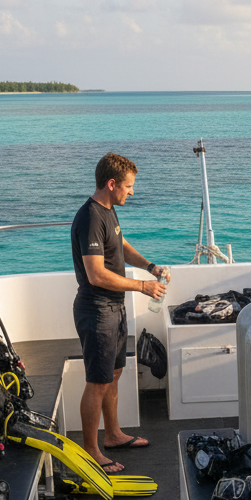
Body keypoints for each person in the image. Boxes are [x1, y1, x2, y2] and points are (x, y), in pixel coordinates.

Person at [70, 152, 167, 474]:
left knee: (113, 374)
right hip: (96, 310)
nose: (132, 192)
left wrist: (150, 266)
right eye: (128, 186)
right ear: (111, 184)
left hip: (114, 308)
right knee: (97, 381)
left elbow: (120, 246)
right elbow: (96, 274)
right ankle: (91, 450)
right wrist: (142, 286)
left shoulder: (108, 211)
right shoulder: (90, 217)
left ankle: (112, 435)